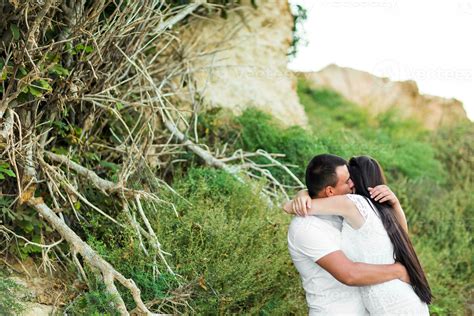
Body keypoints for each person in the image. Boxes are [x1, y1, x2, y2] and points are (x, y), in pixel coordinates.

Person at [285, 155, 431, 315]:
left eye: (352, 178)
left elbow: (400, 237)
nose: (352, 184)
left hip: (387, 305)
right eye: (348, 180)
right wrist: (398, 270)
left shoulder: (350, 211)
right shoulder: (307, 227)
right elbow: (350, 274)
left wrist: (395, 203)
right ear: (329, 191)